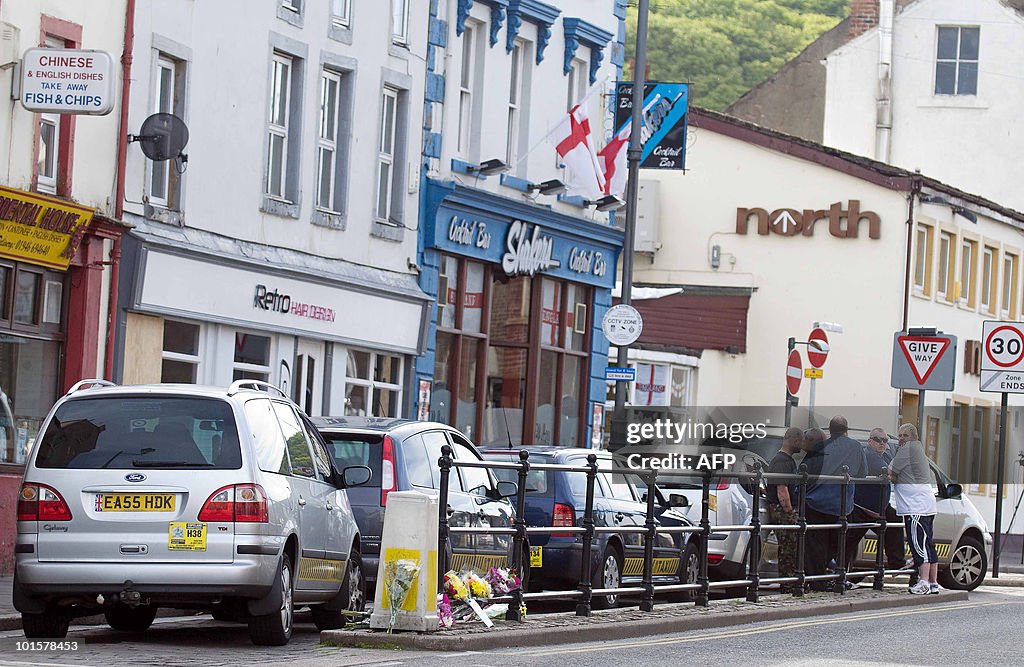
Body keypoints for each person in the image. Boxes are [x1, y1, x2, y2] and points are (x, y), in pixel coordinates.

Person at [802, 416, 868, 590]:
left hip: (817, 503)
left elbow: (806, 472)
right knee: (835, 543)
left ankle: (817, 581)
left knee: (816, 543)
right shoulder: (856, 447)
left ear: (830, 431)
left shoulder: (820, 447)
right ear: (846, 430)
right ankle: (828, 577)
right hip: (841, 506)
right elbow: (862, 474)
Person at [843, 428, 905, 579]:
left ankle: (897, 564)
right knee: (848, 541)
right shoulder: (869, 454)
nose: (882, 443)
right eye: (878, 440)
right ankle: (839, 573)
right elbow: (889, 471)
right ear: (870, 441)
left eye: (885, 441)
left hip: (878, 508)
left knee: (894, 523)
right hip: (862, 508)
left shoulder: (885, 455)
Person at [891, 423, 939, 594]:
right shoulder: (918, 450)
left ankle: (924, 582)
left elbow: (890, 473)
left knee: (919, 545)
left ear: (913, 437)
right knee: (928, 544)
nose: (901, 438)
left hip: (915, 507)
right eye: (900, 435)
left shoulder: (908, 450)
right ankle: (933, 583)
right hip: (925, 504)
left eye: (905, 435)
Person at [767, 427, 803, 592]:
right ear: (794, 440)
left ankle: (790, 582)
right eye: (800, 441)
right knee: (788, 547)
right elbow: (782, 491)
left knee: (791, 547)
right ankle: (788, 584)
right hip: (783, 511)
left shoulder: (784, 460)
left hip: (784, 509)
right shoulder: (782, 461)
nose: (802, 445)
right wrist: (790, 511)